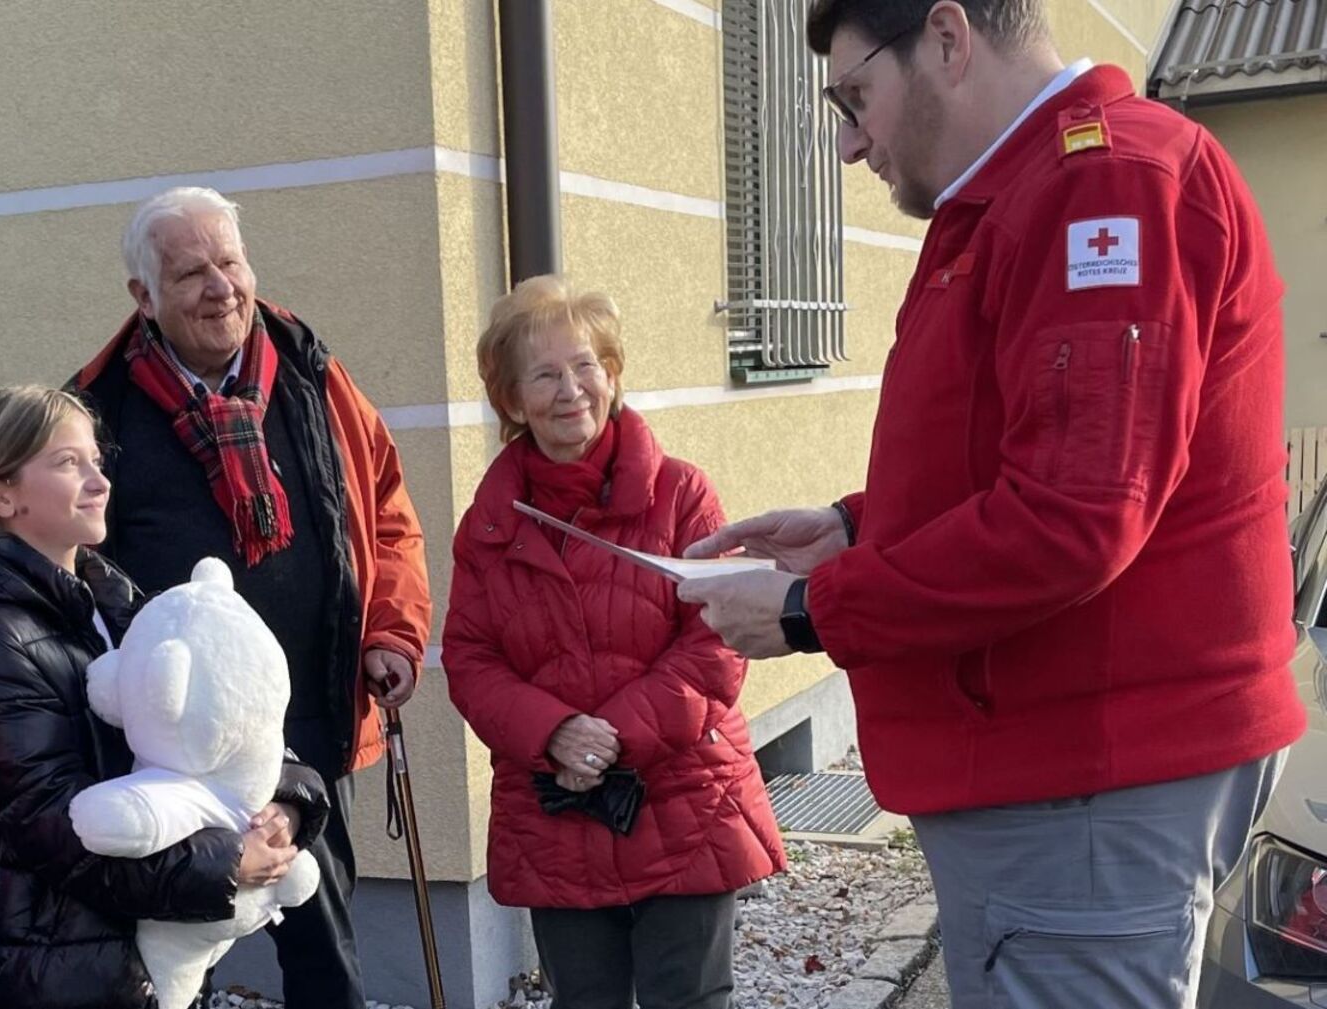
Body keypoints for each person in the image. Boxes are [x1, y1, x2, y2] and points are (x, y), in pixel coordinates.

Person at [674, 2, 1303, 1005]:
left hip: (1088, 780)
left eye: (854, 97)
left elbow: (1072, 515)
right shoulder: (1039, 192)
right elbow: (1020, 452)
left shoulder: (1103, 186)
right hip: (1071, 770)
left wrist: (809, 611)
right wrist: (853, 527)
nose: (847, 143)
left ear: (949, 39)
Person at [70, 186, 432, 1007]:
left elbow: (387, 511)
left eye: (229, 261)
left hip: (310, 715)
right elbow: (80, 565)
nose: (220, 287)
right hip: (171, 743)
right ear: (144, 296)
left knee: (322, 940)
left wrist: (393, 632)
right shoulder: (100, 407)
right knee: (170, 953)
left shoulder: (312, 374)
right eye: (190, 271)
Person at [0, 384, 330, 1008]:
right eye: (66, 463)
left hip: (129, 957)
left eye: (95, 460)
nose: (98, 480)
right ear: (0, 496)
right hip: (45, 970)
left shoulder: (112, 598)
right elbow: (57, 829)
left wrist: (284, 800)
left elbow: (229, 716)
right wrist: (225, 864)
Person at [440, 276, 783, 1009]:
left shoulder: (681, 493)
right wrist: (556, 732)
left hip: (683, 796)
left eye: (586, 365)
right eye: (545, 374)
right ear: (511, 399)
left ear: (613, 372)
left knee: (689, 998)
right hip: (556, 809)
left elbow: (716, 640)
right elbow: (470, 660)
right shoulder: (490, 524)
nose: (571, 390)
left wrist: (609, 736)